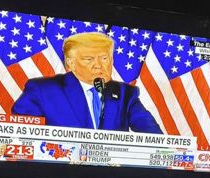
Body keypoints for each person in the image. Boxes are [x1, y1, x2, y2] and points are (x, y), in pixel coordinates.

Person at [12, 32, 162, 134]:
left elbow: (154, 138)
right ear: (70, 63)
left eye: (104, 58)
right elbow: (21, 136)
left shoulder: (126, 94)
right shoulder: (43, 90)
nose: (98, 65)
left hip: (113, 177)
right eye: (89, 59)